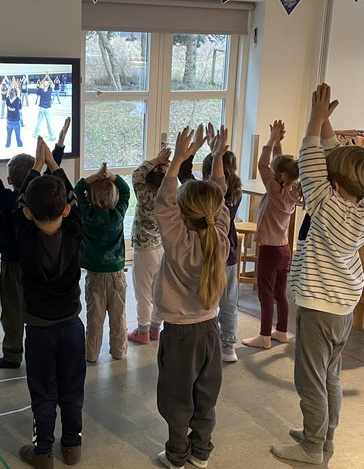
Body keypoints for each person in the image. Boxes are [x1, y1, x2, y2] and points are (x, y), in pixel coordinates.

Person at [270, 84, 364, 464]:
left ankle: (311, 447)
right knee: (331, 375)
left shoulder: (325, 204)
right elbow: (336, 162)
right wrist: (326, 122)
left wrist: (314, 122)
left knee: (310, 380)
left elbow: (310, 162)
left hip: (318, 308)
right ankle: (324, 438)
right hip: (342, 307)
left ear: (333, 183)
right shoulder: (363, 209)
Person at [154, 124, 230, 469]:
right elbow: (219, 195)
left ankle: (176, 455)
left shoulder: (179, 242)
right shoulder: (220, 237)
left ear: (183, 214)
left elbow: (163, 202)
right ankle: (201, 452)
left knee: (176, 399)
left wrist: (178, 161)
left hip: (180, 334)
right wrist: (217, 156)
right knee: (205, 395)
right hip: (211, 331)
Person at [14, 137, 85, 469]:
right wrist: (54, 166)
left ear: (28, 213)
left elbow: (17, 204)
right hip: (72, 326)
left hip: (39, 330)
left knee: (43, 392)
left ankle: (42, 452)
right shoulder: (74, 231)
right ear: (66, 211)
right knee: (72, 389)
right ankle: (72, 447)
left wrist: (37, 166)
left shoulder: (23, 235)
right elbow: (74, 201)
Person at [0, 119, 69, 369]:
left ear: (9, 180)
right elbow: (51, 174)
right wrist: (58, 146)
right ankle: (45, 351)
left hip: (12, 264)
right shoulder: (38, 199)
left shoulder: (5, 199)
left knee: (12, 310)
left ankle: (12, 354)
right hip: (37, 261)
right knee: (40, 306)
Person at [179, 147, 244, 362]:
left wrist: (192, 149)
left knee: (206, 296)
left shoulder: (203, 195)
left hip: (207, 252)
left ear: (208, 172)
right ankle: (228, 344)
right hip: (227, 252)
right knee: (228, 299)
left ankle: (209, 339)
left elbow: (183, 173)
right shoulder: (235, 192)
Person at [242, 120, 301, 350]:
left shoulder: (275, 190)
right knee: (280, 293)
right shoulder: (292, 191)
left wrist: (270, 141)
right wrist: (278, 143)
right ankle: (282, 331)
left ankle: (264, 336)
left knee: (265, 294)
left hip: (268, 249)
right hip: (284, 249)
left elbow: (262, 164)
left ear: (281, 176)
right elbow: (280, 165)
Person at [75, 163, 131, 362]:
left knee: (94, 317)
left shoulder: (87, 215)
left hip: (95, 275)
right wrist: (110, 175)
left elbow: (77, 189)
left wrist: (96, 176)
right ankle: (119, 351)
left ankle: (91, 354)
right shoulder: (118, 214)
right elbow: (126, 190)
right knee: (118, 316)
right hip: (116, 274)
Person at [128, 148, 170, 345]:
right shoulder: (169, 198)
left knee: (143, 294)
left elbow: (137, 174)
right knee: (157, 291)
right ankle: (155, 328)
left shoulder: (145, 195)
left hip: (144, 252)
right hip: (161, 248)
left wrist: (156, 159)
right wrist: (166, 164)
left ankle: (142, 331)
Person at [34, 76, 55, 140]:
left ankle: (35, 135)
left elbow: (40, 83)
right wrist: (48, 77)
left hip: (41, 108)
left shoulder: (41, 91)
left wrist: (45, 77)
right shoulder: (49, 91)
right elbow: (52, 83)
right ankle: (52, 137)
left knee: (39, 122)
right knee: (49, 123)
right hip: (47, 109)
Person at [5, 84, 23, 148]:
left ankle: (7, 147)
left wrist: (10, 87)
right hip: (16, 122)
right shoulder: (17, 100)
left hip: (9, 122)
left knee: (8, 137)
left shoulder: (7, 99)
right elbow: (19, 93)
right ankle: (20, 147)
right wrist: (16, 85)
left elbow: (8, 93)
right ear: (15, 94)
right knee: (18, 137)